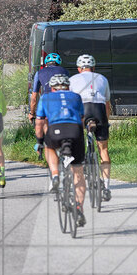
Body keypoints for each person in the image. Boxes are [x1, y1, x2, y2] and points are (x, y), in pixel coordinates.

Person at [35, 74, 87, 226]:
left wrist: (39, 141)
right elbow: (82, 119)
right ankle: (79, 208)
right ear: (68, 87)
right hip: (75, 130)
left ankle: (55, 175)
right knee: (78, 172)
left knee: (49, 147)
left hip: (55, 129)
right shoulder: (76, 97)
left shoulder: (45, 97)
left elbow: (39, 122)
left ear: (52, 88)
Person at [69, 54, 113, 201]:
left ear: (79, 68)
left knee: (76, 140)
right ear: (93, 67)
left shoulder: (73, 79)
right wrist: (105, 122)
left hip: (83, 109)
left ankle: (80, 159)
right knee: (103, 150)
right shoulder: (103, 79)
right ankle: (106, 187)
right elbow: (107, 105)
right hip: (99, 110)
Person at [28, 53, 70, 150]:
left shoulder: (39, 73)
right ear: (58, 63)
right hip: (63, 101)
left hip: (47, 101)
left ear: (46, 63)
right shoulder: (65, 71)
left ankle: (48, 147)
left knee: (45, 124)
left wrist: (32, 113)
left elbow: (34, 97)